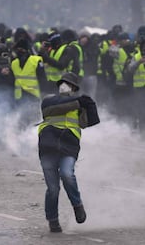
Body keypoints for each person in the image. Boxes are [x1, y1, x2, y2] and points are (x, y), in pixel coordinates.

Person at [38, 72, 100, 233]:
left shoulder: (79, 104)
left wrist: (88, 105)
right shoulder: (49, 100)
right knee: (53, 189)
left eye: (69, 84)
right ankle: (52, 220)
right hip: (48, 146)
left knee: (67, 174)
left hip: (69, 146)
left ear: (74, 88)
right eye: (62, 83)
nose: (64, 86)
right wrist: (78, 102)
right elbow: (53, 107)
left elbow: (88, 123)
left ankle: (77, 205)